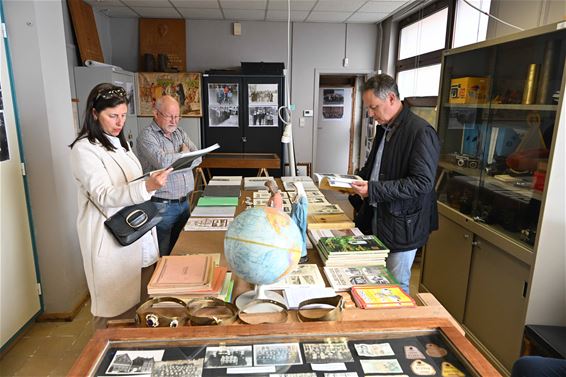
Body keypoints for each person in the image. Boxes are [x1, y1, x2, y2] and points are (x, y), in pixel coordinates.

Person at [69, 83, 171, 326]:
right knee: (114, 318)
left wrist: (150, 179)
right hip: (112, 239)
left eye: (123, 115)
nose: (119, 122)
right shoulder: (84, 149)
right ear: (94, 114)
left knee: (143, 309)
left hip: (140, 234)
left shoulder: (119, 144)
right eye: (113, 116)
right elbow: (104, 195)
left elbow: (129, 182)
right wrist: (146, 186)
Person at [350, 74, 440, 294]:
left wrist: (373, 189)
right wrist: (354, 181)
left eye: (374, 107)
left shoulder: (420, 132)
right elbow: (376, 168)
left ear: (391, 99)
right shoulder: (386, 128)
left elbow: (422, 183)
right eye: (368, 109)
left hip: (403, 225)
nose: (371, 115)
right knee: (374, 284)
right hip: (379, 219)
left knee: (395, 288)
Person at [137, 95, 201, 256]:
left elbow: (198, 157)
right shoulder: (147, 136)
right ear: (156, 113)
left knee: (182, 251)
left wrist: (177, 160)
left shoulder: (179, 133)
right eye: (169, 116)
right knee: (163, 254)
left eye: (177, 116)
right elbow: (162, 162)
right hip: (161, 206)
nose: (174, 121)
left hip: (184, 202)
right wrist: (183, 154)